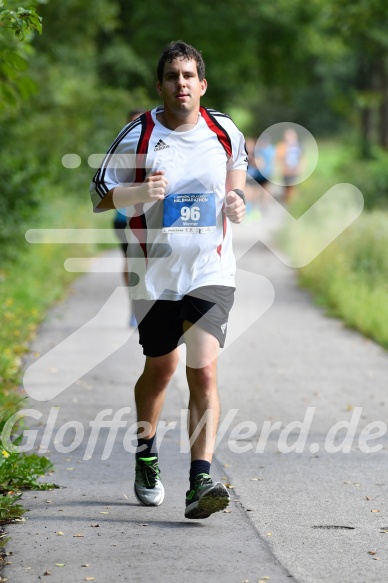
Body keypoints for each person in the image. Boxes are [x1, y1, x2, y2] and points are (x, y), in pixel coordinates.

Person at [90, 40, 247, 519]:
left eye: (189, 76)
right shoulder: (138, 134)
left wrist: (237, 200)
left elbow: (235, 170)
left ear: (202, 84)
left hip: (210, 270)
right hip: (154, 275)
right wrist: (142, 189)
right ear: (160, 85)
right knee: (160, 371)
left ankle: (200, 482)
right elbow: (99, 195)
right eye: (172, 76)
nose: (181, 84)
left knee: (203, 369)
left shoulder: (224, 131)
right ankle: (146, 454)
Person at [113, 108, 144, 327]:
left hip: (152, 217)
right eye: (133, 124)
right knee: (132, 262)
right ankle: (134, 306)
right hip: (124, 217)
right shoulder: (119, 153)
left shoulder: (159, 148)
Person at [276, 127, 303, 203]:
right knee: (285, 187)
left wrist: (300, 168)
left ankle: (291, 203)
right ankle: (286, 202)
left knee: (292, 187)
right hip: (285, 170)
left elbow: (301, 158)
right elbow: (278, 158)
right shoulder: (282, 146)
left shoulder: (298, 146)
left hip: (294, 170)